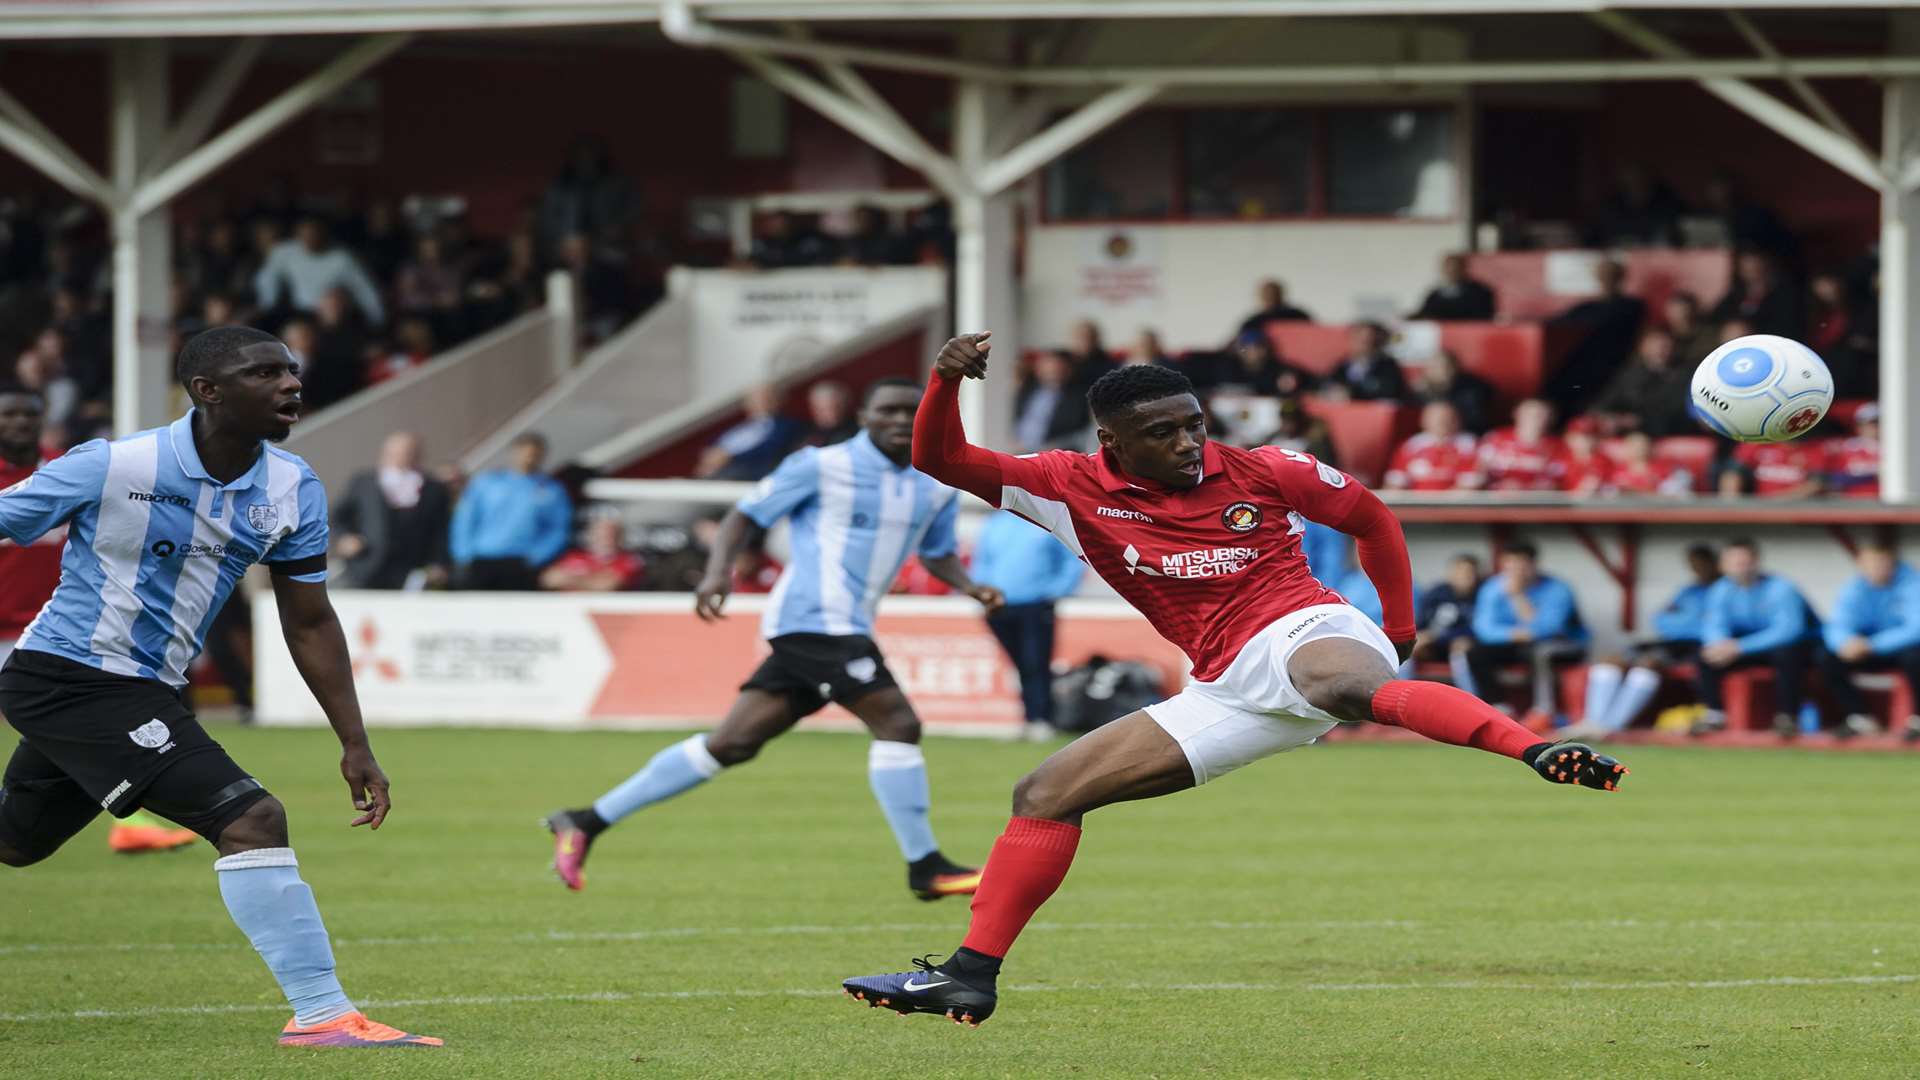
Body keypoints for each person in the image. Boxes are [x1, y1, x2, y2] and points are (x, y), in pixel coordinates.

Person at [841, 336, 1626, 1027]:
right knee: (1045, 793)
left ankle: (1531, 748)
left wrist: (1395, 628)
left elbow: (1372, 519)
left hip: (1308, 630)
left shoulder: (1265, 467)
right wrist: (944, 383)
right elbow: (939, 459)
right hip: (1226, 689)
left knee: (1338, 683)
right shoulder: (1063, 486)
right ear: (1111, 441)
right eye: (1163, 432)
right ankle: (968, 977)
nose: (1189, 444)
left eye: (1194, 423)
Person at [0, 326, 438, 1047]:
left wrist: (354, 741)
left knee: (17, 844)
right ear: (207, 391)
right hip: (70, 678)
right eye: (265, 373)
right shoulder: (113, 465)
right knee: (253, 820)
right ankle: (323, 1015)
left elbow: (310, 621)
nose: (291, 385)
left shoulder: (292, 485)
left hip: (147, 691)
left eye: (291, 372)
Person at [544, 378, 1004, 900]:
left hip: (844, 625)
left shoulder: (933, 485)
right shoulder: (821, 465)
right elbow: (745, 514)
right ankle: (926, 867)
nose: (900, 420)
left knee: (731, 744)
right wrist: (717, 572)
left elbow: (937, 553)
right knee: (898, 723)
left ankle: (584, 820)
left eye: (910, 412)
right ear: (865, 417)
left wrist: (971, 586)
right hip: (811, 621)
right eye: (887, 411)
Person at [1569, 544, 1718, 738]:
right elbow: (1661, 619)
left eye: (1701, 563)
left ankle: (1610, 727)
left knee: (1646, 665)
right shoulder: (1689, 590)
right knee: (1610, 662)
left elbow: (1712, 626)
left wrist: (1683, 621)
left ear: (1713, 564)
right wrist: (1693, 620)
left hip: (1697, 645)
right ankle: (1593, 722)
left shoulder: (1722, 589)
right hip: (1670, 641)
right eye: (1693, 564)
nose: (1697, 568)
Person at [971, 511, 1086, 739]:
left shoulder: (1045, 521)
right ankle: (1030, 718)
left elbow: (1071, 560)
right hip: (999, 606)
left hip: (1036, 604)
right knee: (1021, 664)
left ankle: (1041, 718)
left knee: (1036, 662)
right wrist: (980, 592)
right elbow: (982, 561)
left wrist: (1056, 591)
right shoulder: (994, 523)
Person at [1691, 538, 1817, 738]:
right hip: (1748, 646)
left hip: (1796, 645)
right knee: (1705, 655)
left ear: (1757, 562)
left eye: (1745, 562)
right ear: (1724, 566)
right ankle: (1714, 715)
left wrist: (1739, 647)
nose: (1741, 568)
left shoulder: (1781, 587)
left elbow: (1788, 631)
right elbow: (1713, 624)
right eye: (1735, 563)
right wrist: (1719, 645)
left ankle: (1787, 717)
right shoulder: (1721, 589)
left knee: (1788, 655)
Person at [1462, 540, 1589, 730]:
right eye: (1510, 564)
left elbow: (1548, 629)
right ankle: (1499, 708)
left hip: (1565, 644)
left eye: (1521, 564)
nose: (1516, 570)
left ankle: (1543, 711)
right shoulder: (1492, 588)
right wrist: (1512, 634)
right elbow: (1484, 628)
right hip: (1516, 642)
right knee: (1475, 652)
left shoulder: (1557, 588)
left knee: (1542, 652)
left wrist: (1517, 596)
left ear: (1533, 564)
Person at [1817, 541, 1920, 740]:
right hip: (1865, 650)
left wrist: (1873, 644)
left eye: (1882, 564)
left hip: (1900, 648)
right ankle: (1860, 718)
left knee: (1916, 658)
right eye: (1870, 565)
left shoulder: (1913, 584)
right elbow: (1837, 624)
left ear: (1892, 564)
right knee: (1826, 657)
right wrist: (1844, 643)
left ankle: (1917, 720)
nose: (1876, 570)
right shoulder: (1854, 588)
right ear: (1861, 566)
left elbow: (1916, 628)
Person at [450, 432, 572, 590]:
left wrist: (538, 556)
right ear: (514, 453)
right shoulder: (487, 483)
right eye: (525, 454)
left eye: (535, 455)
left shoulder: (551, 489)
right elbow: (465, 520)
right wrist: (464, 553)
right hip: (483, 558)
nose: (529, 459)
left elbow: (558, 528)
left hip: (522, 561)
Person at [331, 431, 453, 589]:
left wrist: (440, 562)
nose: (400, 457)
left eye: (407, 452)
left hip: (413, 567)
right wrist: (344, 538)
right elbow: (338, 515)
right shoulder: (364, 482)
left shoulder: (433, 488)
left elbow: (441, 529)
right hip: (367, 565)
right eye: (395, 453)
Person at [1545, 259, 1645, 416]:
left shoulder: (1632, 306)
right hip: (1583, 365)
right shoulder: (1587, 307)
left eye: (1611, 276)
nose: (1606, 280)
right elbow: (1555, 323)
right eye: (1603, 276)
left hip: (1615, 365)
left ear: (1620, 278)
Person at [253, 217, 385, 326]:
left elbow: (365, 290)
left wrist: (377, 322)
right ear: (297, 234)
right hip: (298, 314)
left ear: (323, 233)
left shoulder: (342, 258)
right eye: (304, 234)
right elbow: (267, 278)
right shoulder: (285, 252)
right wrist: (267, 305)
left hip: (331, 318)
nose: (309, 238)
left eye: (314, 233)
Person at [1587, 328, 1695, 438]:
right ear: (1643, 348)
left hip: (1672, 435)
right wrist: (1610, 417)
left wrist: (1639, 421)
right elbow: (1603, 403)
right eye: (1654, 345)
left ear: (1674, 348)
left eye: (1665, 346)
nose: (1660, 351)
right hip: (1630, 436)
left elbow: (1679, 412)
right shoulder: (1630, 376)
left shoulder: (1686, 375)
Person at [694, 384, 800, 481]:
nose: (759, 404)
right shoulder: (741, 427)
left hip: (750, 470)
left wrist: (730, 457)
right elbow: (717, 444)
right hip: (721, 468)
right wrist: (712, 457)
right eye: (754, 400)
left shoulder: (785, 426)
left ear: (777, 401)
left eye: (765, 399)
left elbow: (770, 449)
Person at [1384, 401, 1481, 491]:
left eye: (1448, 418)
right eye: (1436, 418)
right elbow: (1394, 483)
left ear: (1458, 420)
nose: (1442, 422)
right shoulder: (1411, 446)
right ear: (1423, 420)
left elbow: (1470, 486)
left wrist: (1441, 504)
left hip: (1455, 505)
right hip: (1417, 503)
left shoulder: (1468, 446)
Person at [1477, 399, 1570, 491]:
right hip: (1497, 499)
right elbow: (1479, 471)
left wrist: (1529, 488)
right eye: (1529, 414)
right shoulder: (1495, 438)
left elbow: (1562, 481)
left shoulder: (1558, 446)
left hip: (1538, 501)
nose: (1534, 419)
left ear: (1550, 418)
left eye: (1541, 415)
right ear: (1516, 414)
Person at [1711, 251, 1804, 341]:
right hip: (1737, 346)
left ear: (1765, 263)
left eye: (1754, 262)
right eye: (1746, 263)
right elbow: (1716, 317)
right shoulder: (1736, 293)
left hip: (1770, 342)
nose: (1750, 268)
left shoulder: (1782, 294)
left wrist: (1751, 331)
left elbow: (1787, 326)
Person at [539, 515, 645, 592]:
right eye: (600, 533)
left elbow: (607, 585)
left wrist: (571, 578)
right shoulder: (574, 556)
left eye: (610, 534)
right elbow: (549, 579)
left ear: (619, 536)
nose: (604, 538)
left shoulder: (628, 561)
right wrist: (591, 579)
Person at [1013, 352, 1092, 453]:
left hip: (1055, 452)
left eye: (1056, 368)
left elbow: (1079, 433)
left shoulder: (1079, 396)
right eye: (1047, 367)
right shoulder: (1027, 390)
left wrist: (1051, 447)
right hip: (1021, 449)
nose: (1051, 371)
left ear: (1068, 369)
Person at [1411, 553, 1482, 665]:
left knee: (1461, 648)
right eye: (1458, 571)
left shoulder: (1481, 594)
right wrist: (1419, 636)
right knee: (1411, 649)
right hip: (1433, 644)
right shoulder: (1436, 593)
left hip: (1462, 644)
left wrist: (1439, 636)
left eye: (1468, 572)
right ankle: (1397, 682)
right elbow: (1421, 622)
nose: (1463, 576)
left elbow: (1479, 628)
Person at [1408, 350, 1494, 434]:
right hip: (1432, 437)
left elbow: (1477, 421)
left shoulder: (1473, 388)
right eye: (1435, 367)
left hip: (1466, 434)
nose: (1442, 370)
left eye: (1446, 366)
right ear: (1427, 370)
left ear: (1455, 367)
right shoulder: (1421, 391)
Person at [1721, 436, 1828, 499]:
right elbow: (1732, 474)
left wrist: (1773, 503)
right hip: (1757, 510)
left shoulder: (1815, 449)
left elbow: (1815, 485)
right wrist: (1731, 503)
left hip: (1797, 510)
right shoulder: (1759, 444)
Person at [1323, 322, 1407, 402]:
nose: (1362, 344)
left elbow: (1388, 391)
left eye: (1367, 340)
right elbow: (1329, 384)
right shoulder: (1343, 364)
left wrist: (1352, 393)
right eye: (1357, 339)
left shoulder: (1388, 366)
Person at [1409, 254, 1496, 321]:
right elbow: (1425, 313)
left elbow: (1482, 317)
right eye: (1448, 268)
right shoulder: (1435, 294)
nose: (1452, 271)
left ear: (1464, 268)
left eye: (1455, 268)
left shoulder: (1480, 292)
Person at [1611, 431, 1696, 497]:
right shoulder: (1616, 471)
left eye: (1642, 446)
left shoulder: (1665, 468)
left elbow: (1679, 491)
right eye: (1633, 446)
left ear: (1650, 447)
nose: (1638, 450)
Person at [1828, 404, 1881, 499]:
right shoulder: (1847, 447)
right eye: (1872, 423)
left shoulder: (1898, 448)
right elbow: (1834, 479)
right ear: (1859, 426)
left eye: (1878, 423)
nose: (1876, 427)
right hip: (1852, 500)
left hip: (1883, 500)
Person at [1234, 278, 1312, 339]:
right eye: (1266, 294)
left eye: (1273, 293)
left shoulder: (1298, 316)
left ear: (1281, 294)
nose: (1270, 297)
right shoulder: (1252, 322)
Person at [1664, 291, 1718, 368]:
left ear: (1693, 310)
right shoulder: (1663, 338)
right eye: (1673, 311)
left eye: (1682, 310)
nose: (1679, 315)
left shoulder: (1709, 335)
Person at [798, 381, 859, 448]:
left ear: (844, 406)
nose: (825, 414)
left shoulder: (856, 430)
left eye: (831, 408)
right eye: (819, 409)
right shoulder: (805, 433)